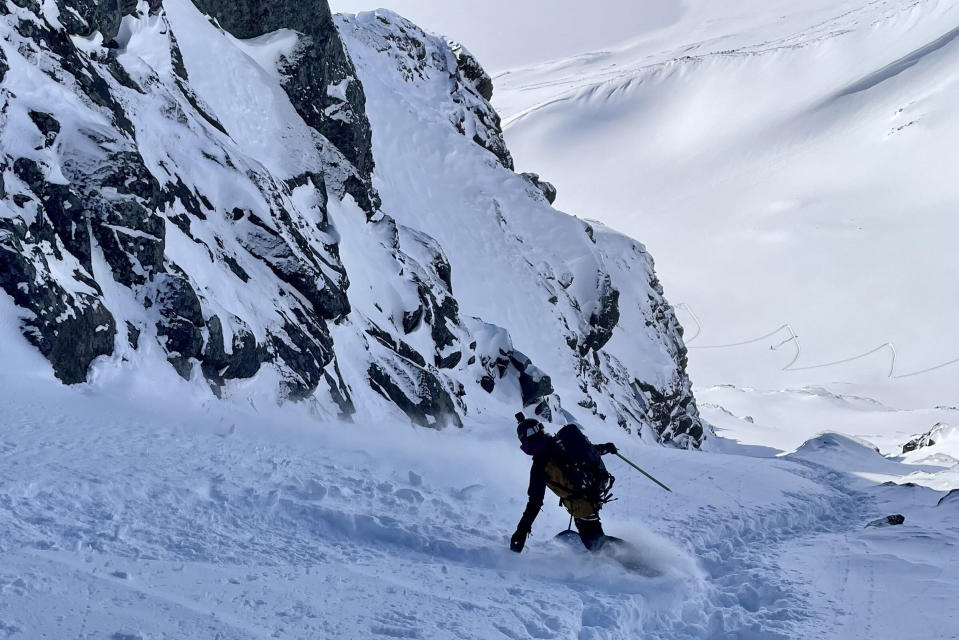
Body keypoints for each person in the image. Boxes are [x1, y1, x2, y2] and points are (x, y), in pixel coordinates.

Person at [510, 414, 618, 553]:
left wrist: (521, 531)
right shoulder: (558, 443)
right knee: (593, 536)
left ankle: (635, 557)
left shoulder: (540, 464)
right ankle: (628, 555)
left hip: (582, 504)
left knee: (595, 542)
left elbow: (535, 501)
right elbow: (584, 452)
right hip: (592, 492)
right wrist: (606, 448)